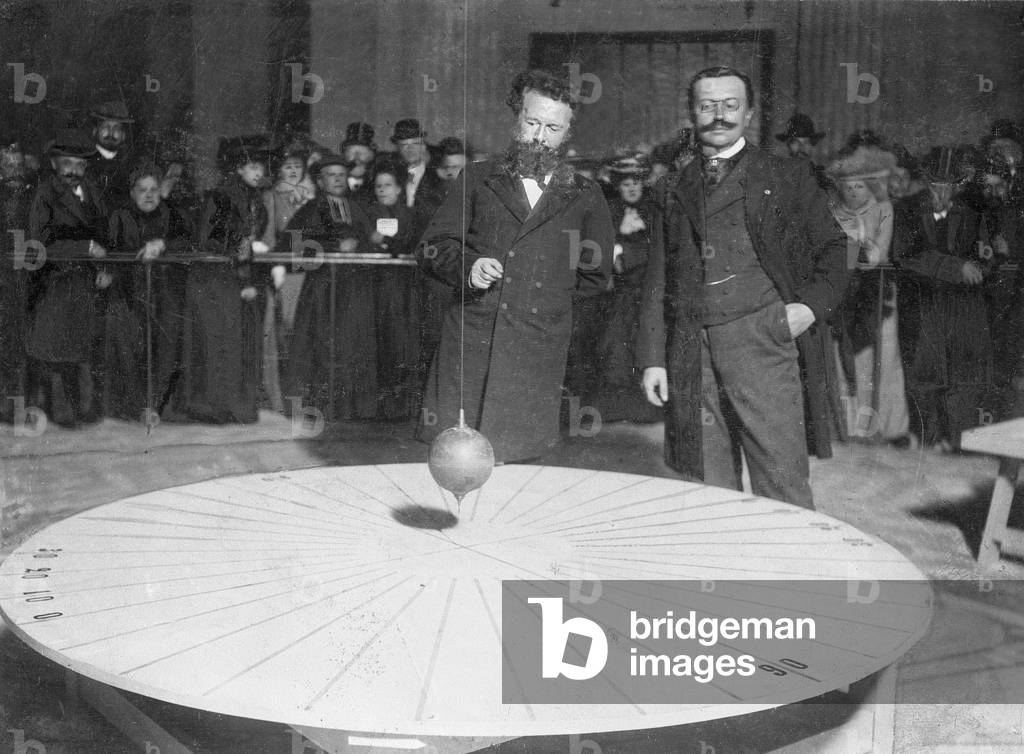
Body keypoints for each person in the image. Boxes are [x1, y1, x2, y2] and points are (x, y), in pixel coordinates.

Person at [638, 66, 850, 509]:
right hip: (690, 352)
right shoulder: (669, 188)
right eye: (708, 105)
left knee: (782, 485)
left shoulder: (787, 176)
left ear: (750, 113)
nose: (720, 115)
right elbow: (658, 278)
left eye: (731, 105)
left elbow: (837, 249)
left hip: (763, 341)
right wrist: (653, 358)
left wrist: (808, 308)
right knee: (707, 490)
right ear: (692, 112)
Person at [416, 68, 614, 463]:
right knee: (454, 462)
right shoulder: (477, 177)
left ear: (567, 134)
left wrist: (542, 301)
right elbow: (433, 246)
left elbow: (595, 276)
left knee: (518, 466)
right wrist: (468, 268)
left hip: (536, 351)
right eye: (532, 122)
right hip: (471, 343)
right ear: (516, 119)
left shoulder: (587, 195)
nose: (540, 136)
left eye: (553, 128)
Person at [893, 146, 995, 451]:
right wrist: (954, 266)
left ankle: (958, 443)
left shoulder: (974, 214)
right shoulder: (908, 211)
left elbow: (987, 256)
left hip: (964, 308)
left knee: (962, 376)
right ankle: (931, 441)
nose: (941, 193)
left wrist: (980, 266)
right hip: (925, 306)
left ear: (957, 186)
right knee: (926, 375)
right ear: (926, 183)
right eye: (935, 185)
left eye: (947, 186)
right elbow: (904, 256)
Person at [180, 136, 272, 423]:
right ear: (238, 169)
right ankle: (214, 408)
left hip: (238, 279)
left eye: (260, 167)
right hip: (213, 282)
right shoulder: (219, 197)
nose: (258, 172)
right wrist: (237, 246)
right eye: (252, 166)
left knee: (238, 342)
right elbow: (205, 239)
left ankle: (237, 407)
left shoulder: (256, 201)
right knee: (219, 342)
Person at [25, 129, 110, 427]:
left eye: (80, 165)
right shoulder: (45, 195)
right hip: (56, 283)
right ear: (54, 164)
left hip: (84, 284)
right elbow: (38, 245)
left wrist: (103, 268)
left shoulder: (92, 191)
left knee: (79, 350)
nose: (74, 171)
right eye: (67, 164)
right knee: (56, 350)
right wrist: (83, 248)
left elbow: (103, 234)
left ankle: (80, 411)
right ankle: (60, 413)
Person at [285, 153, 378, 421]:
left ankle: (351, 409)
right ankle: (320, 408)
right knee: (322, 343)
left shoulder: (357, 207)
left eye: (341, 175)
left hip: (354, 289)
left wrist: (360, 244)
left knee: (352, 345)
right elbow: (293, 248)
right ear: (320, 180)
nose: (337, 180)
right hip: (323, 289)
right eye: (331, 175)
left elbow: (371, 239)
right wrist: (333, 248)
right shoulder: (310, 210)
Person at [825, 148, 909, 443]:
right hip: (844, 294)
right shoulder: (834, 211)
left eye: (859, 186)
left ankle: (890, 425)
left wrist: (849, 251)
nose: (853, 192)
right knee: (847, 361)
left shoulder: (883, 209)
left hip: (878, 293)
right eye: (847, 187)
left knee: (884, 359)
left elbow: (878, 254)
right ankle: (853, 426)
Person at [105, 163, 191, 420]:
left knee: (166, 347)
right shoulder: (119, 216)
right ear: (132, 193)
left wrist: (162, 244)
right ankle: (137, 406)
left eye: (154, 189)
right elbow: (110, 250)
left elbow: (187, 239)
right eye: (142, 190)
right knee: (130, 348)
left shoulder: (170, 213)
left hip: (165, 292)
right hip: (129, 292)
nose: (149, 195)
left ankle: (154, 405)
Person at [260, 143, 316, 411]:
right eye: (287, 166)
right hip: (290, 275)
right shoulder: (272, 197)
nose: (293, 171)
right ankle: (286, 400)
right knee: (289, 332)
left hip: (314, 273)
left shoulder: (315, 194)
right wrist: (276, 266)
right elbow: (270, 236)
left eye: (297, 165)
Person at [366, 156, 420, 419]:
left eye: (388, 185)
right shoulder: (368, 213)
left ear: (399, 188)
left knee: (402, 341)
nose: (383, 190)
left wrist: (386, 240)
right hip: (375, 286)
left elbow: (410, 242)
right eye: (378, 186)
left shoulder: (410, 215)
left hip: (403, 288)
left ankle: (402, 404)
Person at [0, 136, 34, 424]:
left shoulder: (31, 196)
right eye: (7, 165)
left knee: (15, 345)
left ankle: (13, 407)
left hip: (20, 282)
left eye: (17, 164)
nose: (13, 169)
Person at [87, 100, 135, 210]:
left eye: (116, 128)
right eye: (105, 126)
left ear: (123, 135)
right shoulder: (82, 162)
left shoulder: (130, 167)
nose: (111, 132)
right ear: (95, 131)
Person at [340, 122, 377, 206]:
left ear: (372, 154)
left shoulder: (377, 184)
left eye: (362, 152)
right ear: (344, 154)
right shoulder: (335, 183)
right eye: (351, 151)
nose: (357, 157)